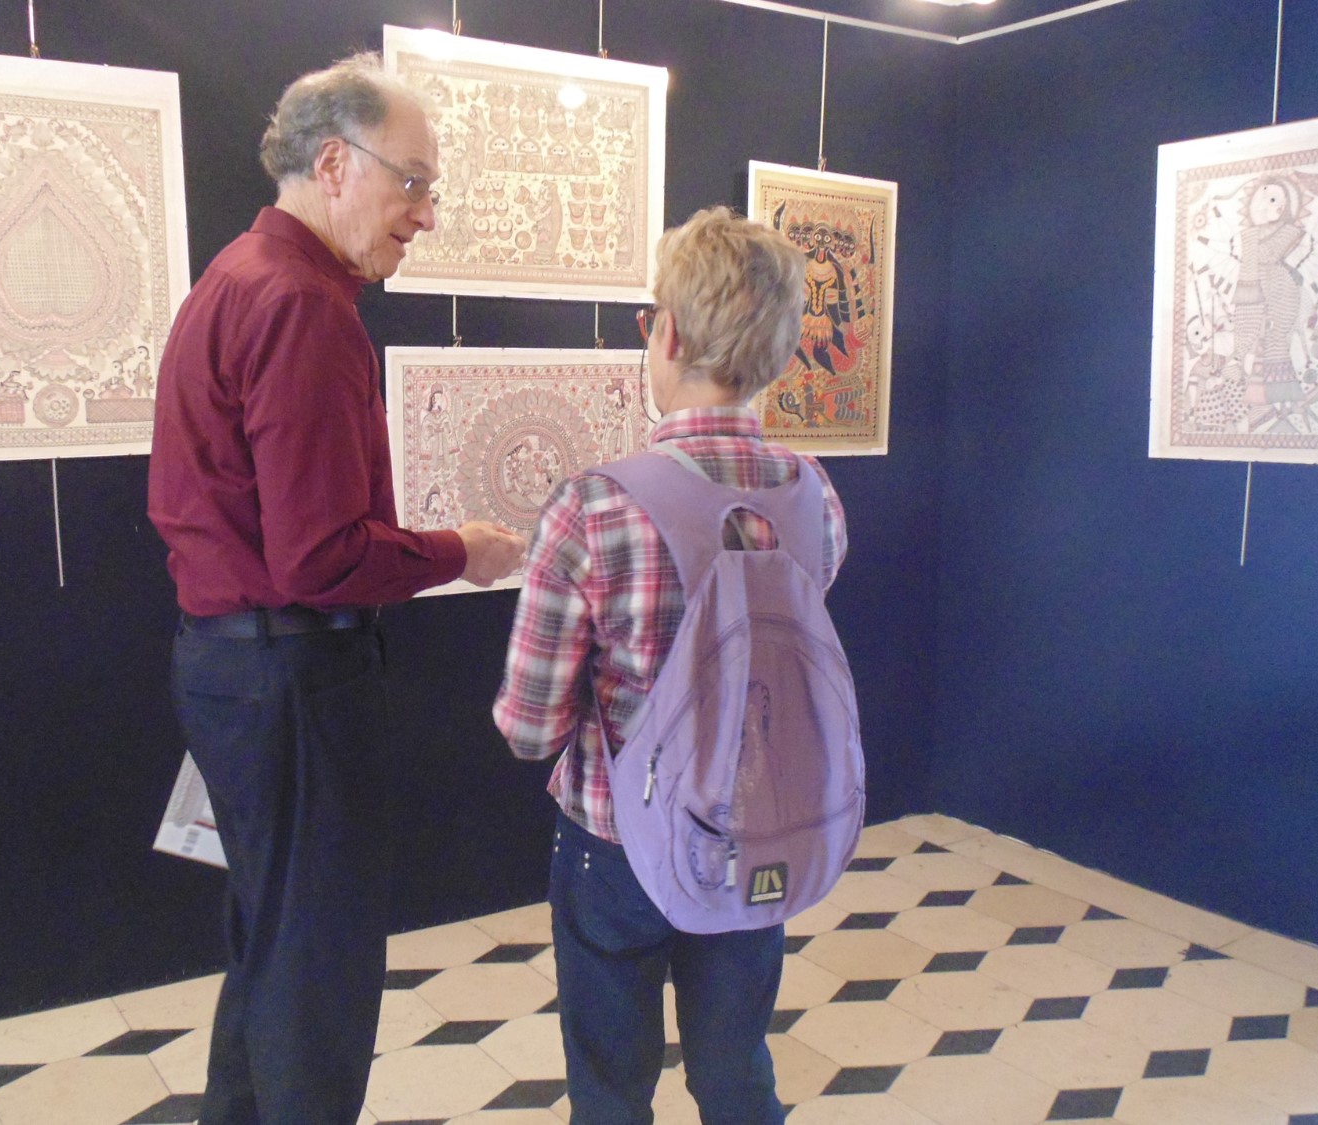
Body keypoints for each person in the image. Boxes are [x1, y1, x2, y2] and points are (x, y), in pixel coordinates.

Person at [147, 53, 526, 1125]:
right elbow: (317, 557)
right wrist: (458, 552)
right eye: (413, 181)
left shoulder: (238, 278)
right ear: (332, 164)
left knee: (273, 946)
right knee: (317, 971)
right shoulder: (299, 305)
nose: (426, 214)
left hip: (238, 664)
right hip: (291, 672)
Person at [493, 206, 850, 1124]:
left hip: (616, 842)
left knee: (611, 1090)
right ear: (780, 351)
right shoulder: (815, 498)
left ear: (672, 336)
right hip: (757, 827)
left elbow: (529, 729)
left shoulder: (594, 507)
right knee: (736, 1073)